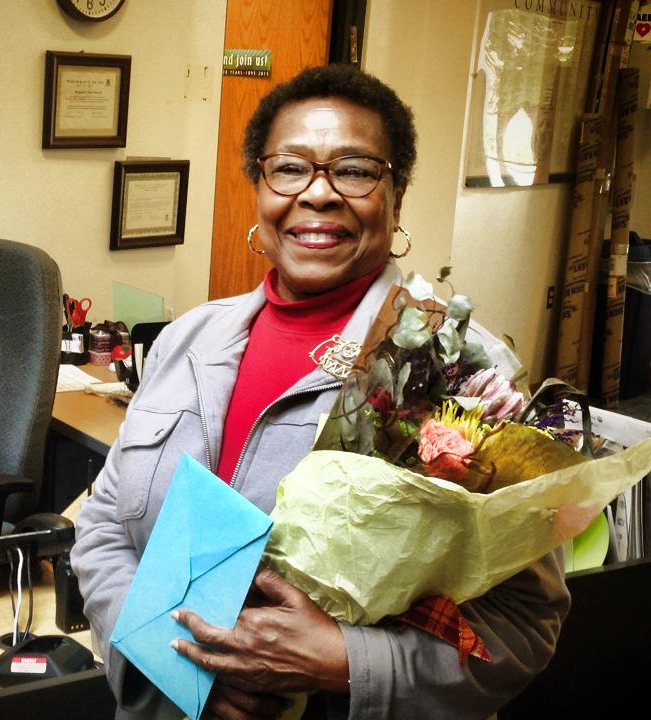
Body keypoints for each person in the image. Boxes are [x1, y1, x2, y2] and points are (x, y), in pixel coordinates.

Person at [71, 64, 570, 720]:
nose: (318, 193)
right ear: (259, 187)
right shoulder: (187, 339)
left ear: (396, 196)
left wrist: (344, 661)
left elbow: (523, 626)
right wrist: (172, 663)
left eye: (355, 171)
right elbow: (104, 525)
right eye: (289, 168)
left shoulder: (458, 370)